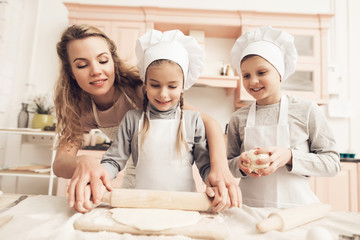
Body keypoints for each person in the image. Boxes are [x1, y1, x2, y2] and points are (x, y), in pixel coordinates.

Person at [53, 24, 241, 212]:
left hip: (180, 194)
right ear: (71, 71)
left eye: (103, 60)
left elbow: (209, 123)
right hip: (134, 181)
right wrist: (84, 162)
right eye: (82, 65)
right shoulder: (82, 108)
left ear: (113, 61)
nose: (95, 71)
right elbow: (62, 163)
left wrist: (219, 169)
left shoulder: (141, 89)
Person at [101, 29, 224, 210]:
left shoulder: (193, 121)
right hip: (142, 203)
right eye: (155, 85)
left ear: (183, 85)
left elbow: (205, 166)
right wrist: (100, 175)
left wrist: (215, 183)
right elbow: (114, 160)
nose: (163, 94)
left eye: (172, 86)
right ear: (145, 83)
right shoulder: (132, 120)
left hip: (183, 205)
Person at [227, 25, 340, 208]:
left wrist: (289, 156)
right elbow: (227, 166)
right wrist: (240, 165)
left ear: (280, 73)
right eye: (246, 75)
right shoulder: (237, 118)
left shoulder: (306, 110)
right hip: (251, 209)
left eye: (262, 72)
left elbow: (333, 163)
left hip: (297, 210)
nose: (253, 81)